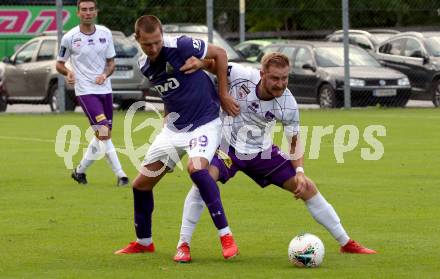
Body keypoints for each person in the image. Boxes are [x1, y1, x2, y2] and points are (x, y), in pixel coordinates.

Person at [172, 52, 377, 263]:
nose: (280, 84)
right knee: (202, 179)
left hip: (263, 152)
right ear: (262, 74)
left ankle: (346, 243)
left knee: (306, 187)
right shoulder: (241, 74)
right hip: (227, 147)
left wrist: (299, 172)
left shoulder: (288, 103)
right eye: (275, 78)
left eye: (285, 78)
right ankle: (183, 245)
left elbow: (295, 141)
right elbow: (217, 66)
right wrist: (201, 63)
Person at [113, 15, 241, 260]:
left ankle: (226, 236)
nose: (153, 48)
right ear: (137, 39)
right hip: (173, 130)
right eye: (147, 44)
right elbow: (170, 90)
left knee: (197, 169)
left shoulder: (181, 45)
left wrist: (223, 95)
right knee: (141, 184)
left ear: (162, 35)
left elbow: (221, 54)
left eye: (157, 42)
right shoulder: (144, 65)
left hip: (204, 123)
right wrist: (167, 117)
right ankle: (144, 242)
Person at [56, 0, 129, 186]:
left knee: (102, 135)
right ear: (78, 13)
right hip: (85, 91)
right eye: (84, 10)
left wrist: (105, 74)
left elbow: (111, 63)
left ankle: (79, 171)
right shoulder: (69, 37)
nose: (87, 13)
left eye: (91, 9)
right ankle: (121, 175)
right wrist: (68, 72)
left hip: (105, 90)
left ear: (96, 12)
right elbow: (59, 64)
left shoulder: (105, 33)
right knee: (103, 131)